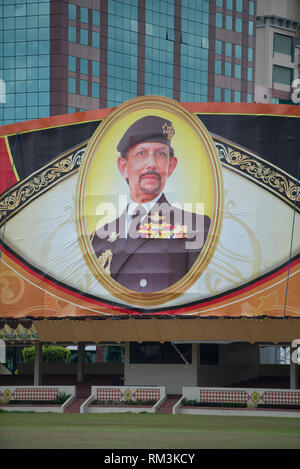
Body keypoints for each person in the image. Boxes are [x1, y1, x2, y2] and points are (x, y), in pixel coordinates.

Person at [90, 115, 211, 293]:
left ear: (171, 166)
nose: (151, 164)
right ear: (123, 166)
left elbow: (201, 295)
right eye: (141, 154)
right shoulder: (98, 237)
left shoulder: (195, 227)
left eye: (160, 154)